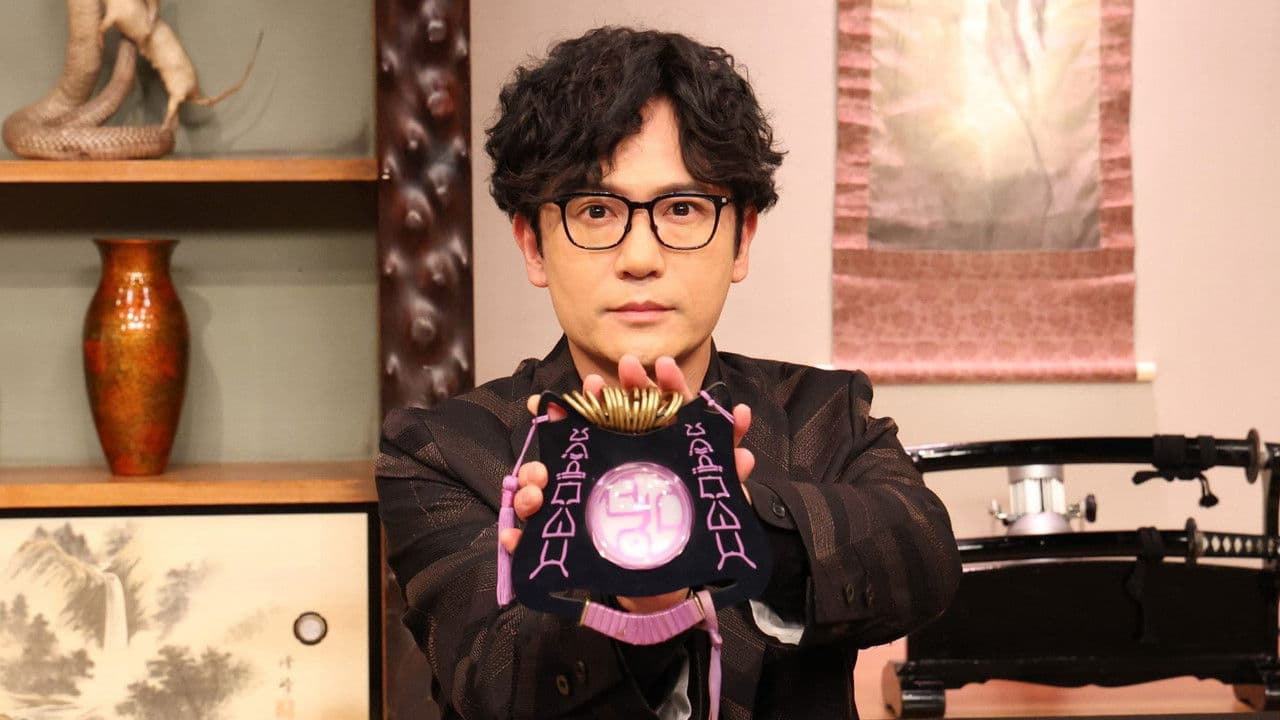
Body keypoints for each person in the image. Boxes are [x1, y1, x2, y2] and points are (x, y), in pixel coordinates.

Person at [376, 26, 961, 719]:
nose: (640, 258)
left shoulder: (821, 411)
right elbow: (490, 682)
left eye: (681, 209)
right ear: (533, 245)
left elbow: (923, 558)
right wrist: (635, 600)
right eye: (597, 211)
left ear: (741, 239)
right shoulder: (444, 450)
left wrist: (729, 518)